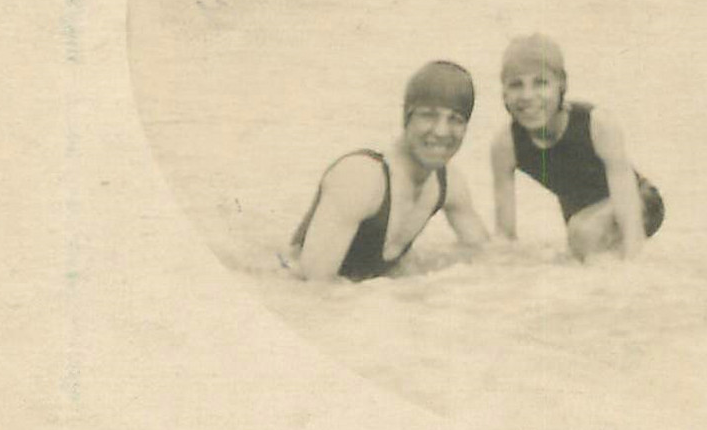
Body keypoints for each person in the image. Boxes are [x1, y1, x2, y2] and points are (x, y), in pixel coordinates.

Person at [285, 60, 491, 281]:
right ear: (406, 118)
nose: (442, 131)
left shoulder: (448, 184)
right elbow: (312, 289)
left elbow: (488, 256)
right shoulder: (362, 178)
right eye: (428, 115)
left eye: (456, 119)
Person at [490, 33, 665, 261]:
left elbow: (626, 199)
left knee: (584, 234)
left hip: (639, 200)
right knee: (579, 247)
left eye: (541, 83)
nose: (527, 96)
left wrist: (633, 264)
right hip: (581, 215)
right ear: (503, 92)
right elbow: (505, 235)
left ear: (561, 85)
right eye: (516, 85)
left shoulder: (597, 124)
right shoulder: (506, 145)